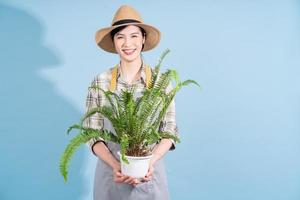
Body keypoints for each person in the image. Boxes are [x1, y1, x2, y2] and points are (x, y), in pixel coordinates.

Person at [83, 5, 179, 200]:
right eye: (120, 37)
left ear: (143, 39)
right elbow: (91, 133)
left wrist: (148, 163)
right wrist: (117, 165)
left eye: (134, 36)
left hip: (149, 177)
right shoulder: (100, 81)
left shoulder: (160, 82)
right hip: (111, 177)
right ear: (114, 42)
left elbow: (169, 131)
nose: (128, 43)